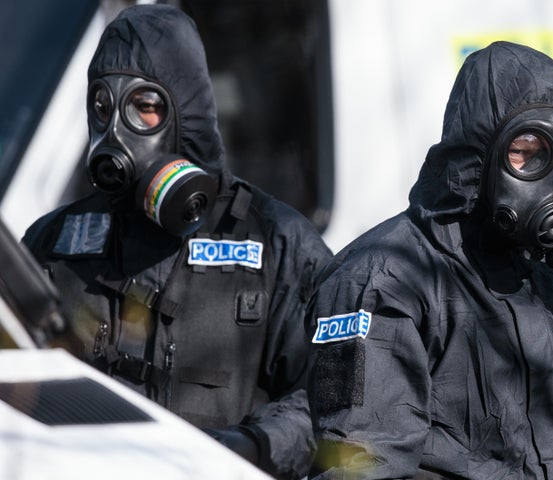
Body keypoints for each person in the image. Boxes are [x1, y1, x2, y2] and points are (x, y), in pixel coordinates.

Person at [305, 41, 553, 479]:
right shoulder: (384, 280)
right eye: (525, 153)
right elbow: (362, 468)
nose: (549, 181)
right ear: (479, 155)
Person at [22, 5, 332, 479]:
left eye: (142, 108)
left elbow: (329, 397)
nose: (116, 133)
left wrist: (245, 449)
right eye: (103, 109)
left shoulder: (277, 243)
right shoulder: (54, 243)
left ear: (186, 115)